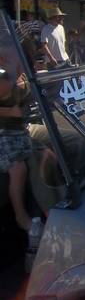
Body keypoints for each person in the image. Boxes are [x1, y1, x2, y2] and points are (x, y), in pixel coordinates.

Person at [0, 66, 34, 231]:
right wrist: (10, 112)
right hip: (5, 132)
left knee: (53, 153)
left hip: (20, 129)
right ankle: (20, 215)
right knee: (17, 168)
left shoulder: (15, 69)